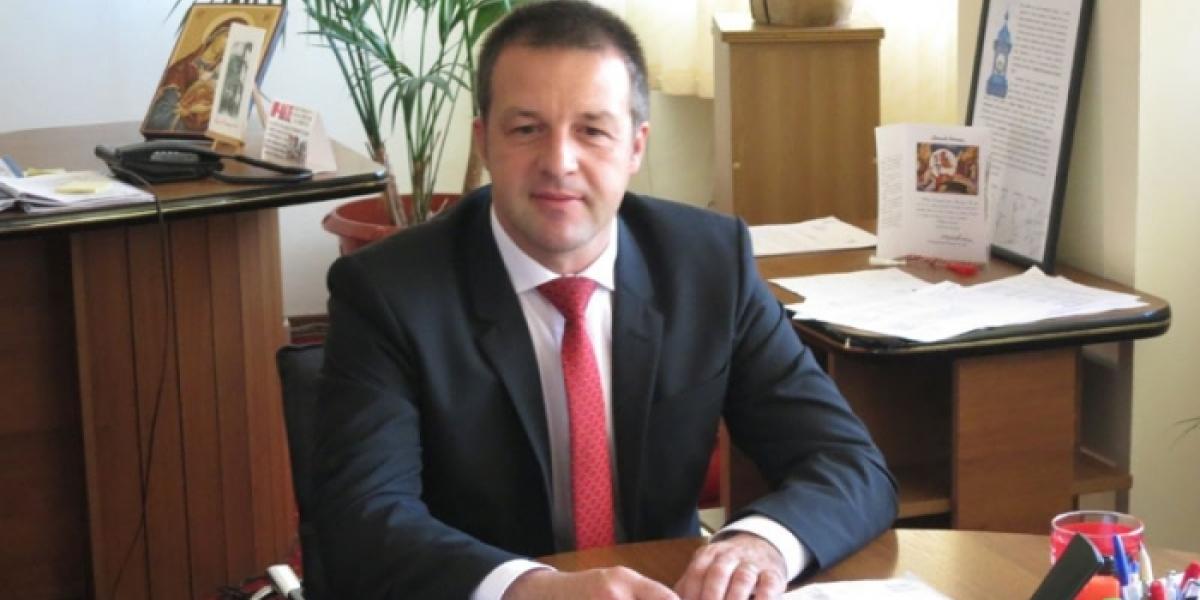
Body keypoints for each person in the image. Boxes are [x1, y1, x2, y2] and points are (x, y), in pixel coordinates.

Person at [314, 2, 897, 599]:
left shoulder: (707, 264)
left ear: (635, 147)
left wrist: (761, 543)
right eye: (526, 129)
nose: (559, 163)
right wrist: (531, 589)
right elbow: (362, 519)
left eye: (592, 130)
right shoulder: (389, 291)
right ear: (484, 141)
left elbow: (848, 464)